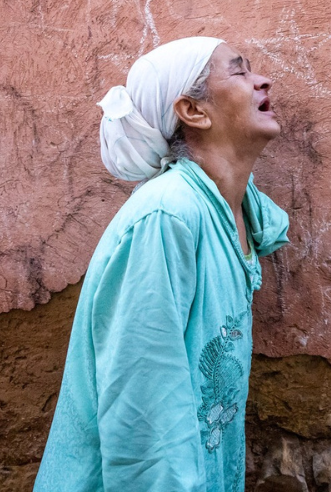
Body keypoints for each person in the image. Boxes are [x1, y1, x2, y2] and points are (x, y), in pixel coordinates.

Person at [34, 37, 290, 492]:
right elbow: (144, 411)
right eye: (240, 71)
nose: (262, 80)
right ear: (194, 112)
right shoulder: (167, 217)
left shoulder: (232, 210)